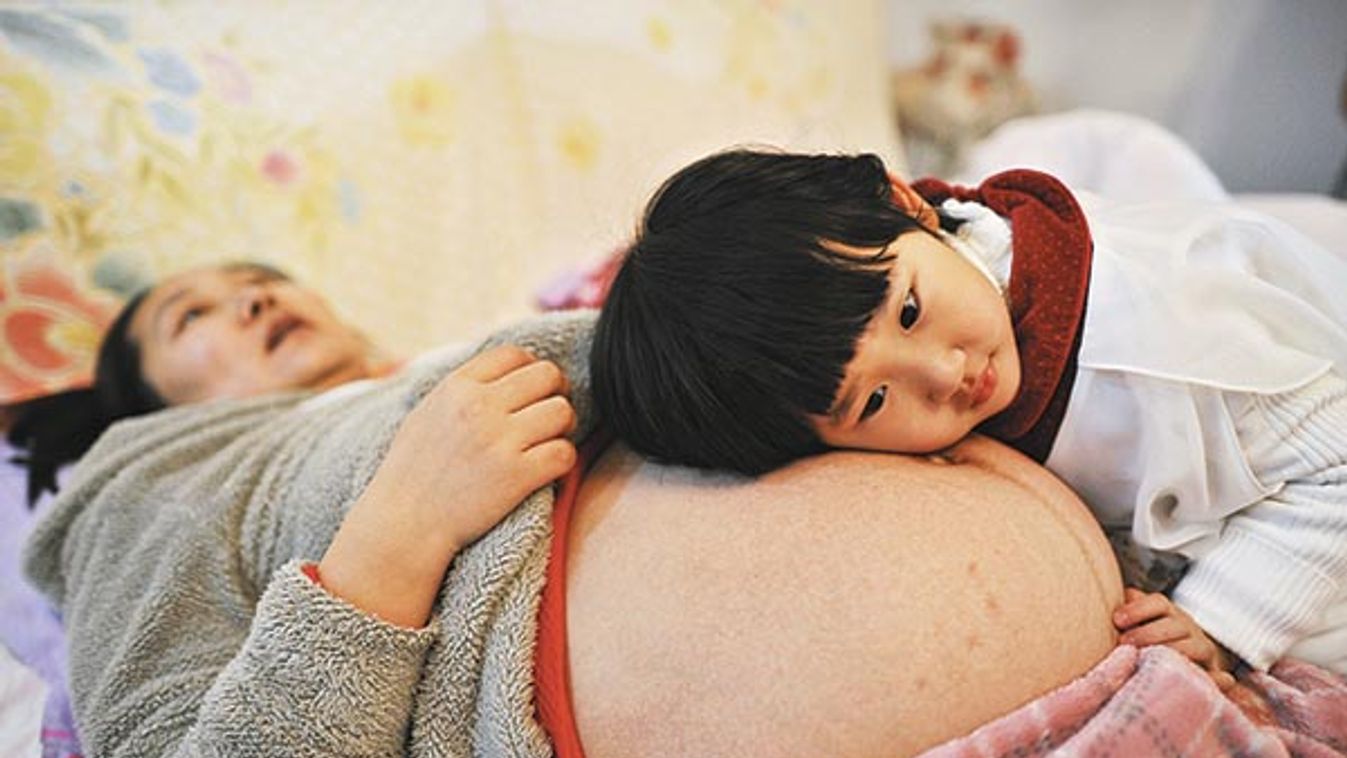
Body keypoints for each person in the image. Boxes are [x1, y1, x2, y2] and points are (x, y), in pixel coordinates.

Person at [11, 260, 1133, 756]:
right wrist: (403, 523)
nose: (249, 292)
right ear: (145, 398)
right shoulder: (154, 474)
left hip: (1137, 663)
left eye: (257, 275)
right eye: (188, 314)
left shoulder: (474, 345)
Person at [590, 148, 1347, 682]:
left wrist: (1221, 620)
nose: (946, 373)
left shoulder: (1147, 340)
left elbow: (1335, 461)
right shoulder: (902, 270)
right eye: (874, 401)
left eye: (911, 310)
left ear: (908, 205)